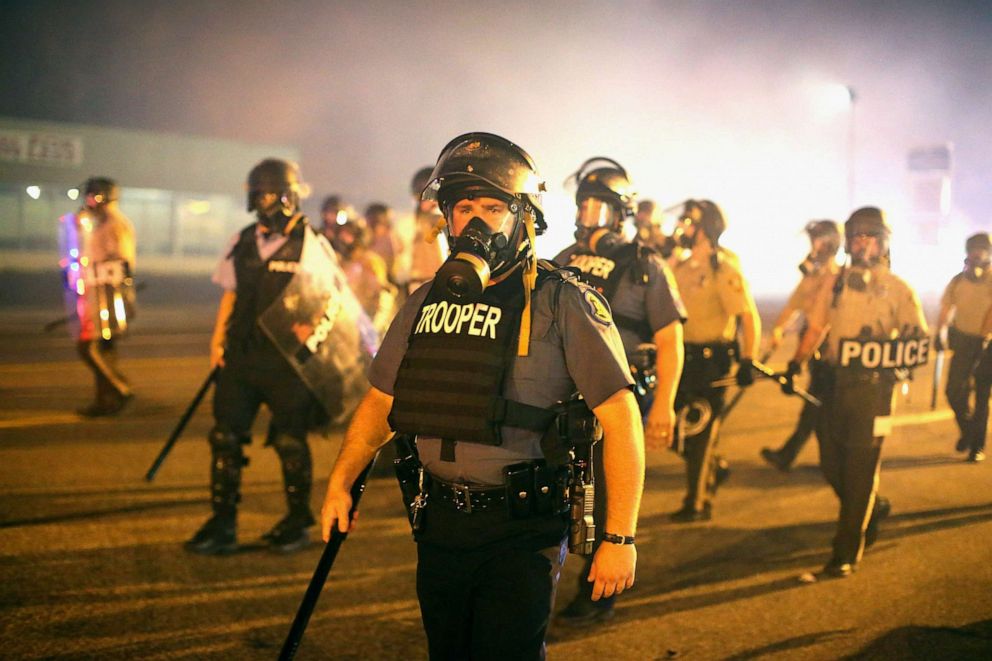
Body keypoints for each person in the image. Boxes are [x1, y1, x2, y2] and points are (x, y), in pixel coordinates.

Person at [320, 133, 644, 660]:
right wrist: (340, 481)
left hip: (521, 530)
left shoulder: (564, 302)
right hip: (438, 522)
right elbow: (381, 401)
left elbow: (622, 418)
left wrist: (619, 538)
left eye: (493, 207)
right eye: (463, 206)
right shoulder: (423, 302)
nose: (475, 222)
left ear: (523, 219)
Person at [552, 158, 685, 624]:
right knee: (563, 493)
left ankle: (599, 590)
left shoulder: (646, 265)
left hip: (615, 398)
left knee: (607, 496)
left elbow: (670, 339)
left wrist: (664, 404)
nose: (588, 219)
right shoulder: (564, 258)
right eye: (584, 208)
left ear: (621, 214)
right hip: (565, 397)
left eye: (599, 210)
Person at [186, 158, 330, 555]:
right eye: (261, 194)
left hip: (287, 363)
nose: (268, 202)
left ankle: (297, 520)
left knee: (289, 441)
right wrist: (217, 343)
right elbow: (230, 294)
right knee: (225, 438)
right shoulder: (243, 240)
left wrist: (310, 344)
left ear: (291, 195)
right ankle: (222, 523)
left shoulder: (312, 243)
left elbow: (332, 302)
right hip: (242, 356)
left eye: (274, 193)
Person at [784, 207, 928, 579]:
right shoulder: (835, 283)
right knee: (832, 464)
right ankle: (871, 507)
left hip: (874, 391)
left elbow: (916, 337)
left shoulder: (898, 289)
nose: (862, 244)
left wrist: (900, 359)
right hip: (834, 384)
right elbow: (817, 325)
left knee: (861, 470)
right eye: (857, 237)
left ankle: (845, 552)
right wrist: (796, 362)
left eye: (870, 237)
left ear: (883, 242)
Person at [668, 199, 760, 522]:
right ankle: (713, 469)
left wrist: (748, 359)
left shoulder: (723, 269)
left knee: (703, 430)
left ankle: (697, 502)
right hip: (682, 358)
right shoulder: (679, 267)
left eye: (690, 222)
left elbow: (747, 317)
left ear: (706, 229)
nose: (683, 227)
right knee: (676, 431)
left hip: (711, 361)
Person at [760, 220, 841, 471]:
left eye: (817, 240)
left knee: (819, 406)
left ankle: (812, 458)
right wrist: (777, 329)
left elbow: (819, 326)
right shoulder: (812, 275)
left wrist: (796, 361)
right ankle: (811, 457)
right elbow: (794, 304)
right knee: (819, 405)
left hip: (829, 349)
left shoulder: (835, 278)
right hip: (812, 346)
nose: (813, 246)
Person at [59, 176, 137, 417]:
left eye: (92, 195)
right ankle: (105, 401)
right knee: (104, 349)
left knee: (87, 346)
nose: (88, 200)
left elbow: (121, 262)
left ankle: (119, 387)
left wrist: (124, 294)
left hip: (106, 295)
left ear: (103, 196)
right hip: (99, 292)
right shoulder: (98, 221)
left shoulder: (114, 223)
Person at [936, 232, 992, 463]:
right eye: (973, 249)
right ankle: (968, 430)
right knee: (953, 391)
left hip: (987, 344)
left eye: (982, 249)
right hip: (963, 341)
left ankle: (976, 446)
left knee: (981, 396)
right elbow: (945, 307)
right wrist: (939, 333)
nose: (977, 253)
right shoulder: (958, 279)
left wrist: (985, 336)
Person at [324, 210, 398, 335]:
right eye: (341, 235)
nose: (343, 239)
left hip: (371, 329)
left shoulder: (370, 261)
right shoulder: (338, 264)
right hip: (345, 329)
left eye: (348, 235)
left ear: (358, 237)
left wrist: (373, 329)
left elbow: (384, 295)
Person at [407, 166, 448, 292]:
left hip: (436, 282)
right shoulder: (415, 223)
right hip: (420, 284)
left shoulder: (441, 221)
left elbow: (433, 236)